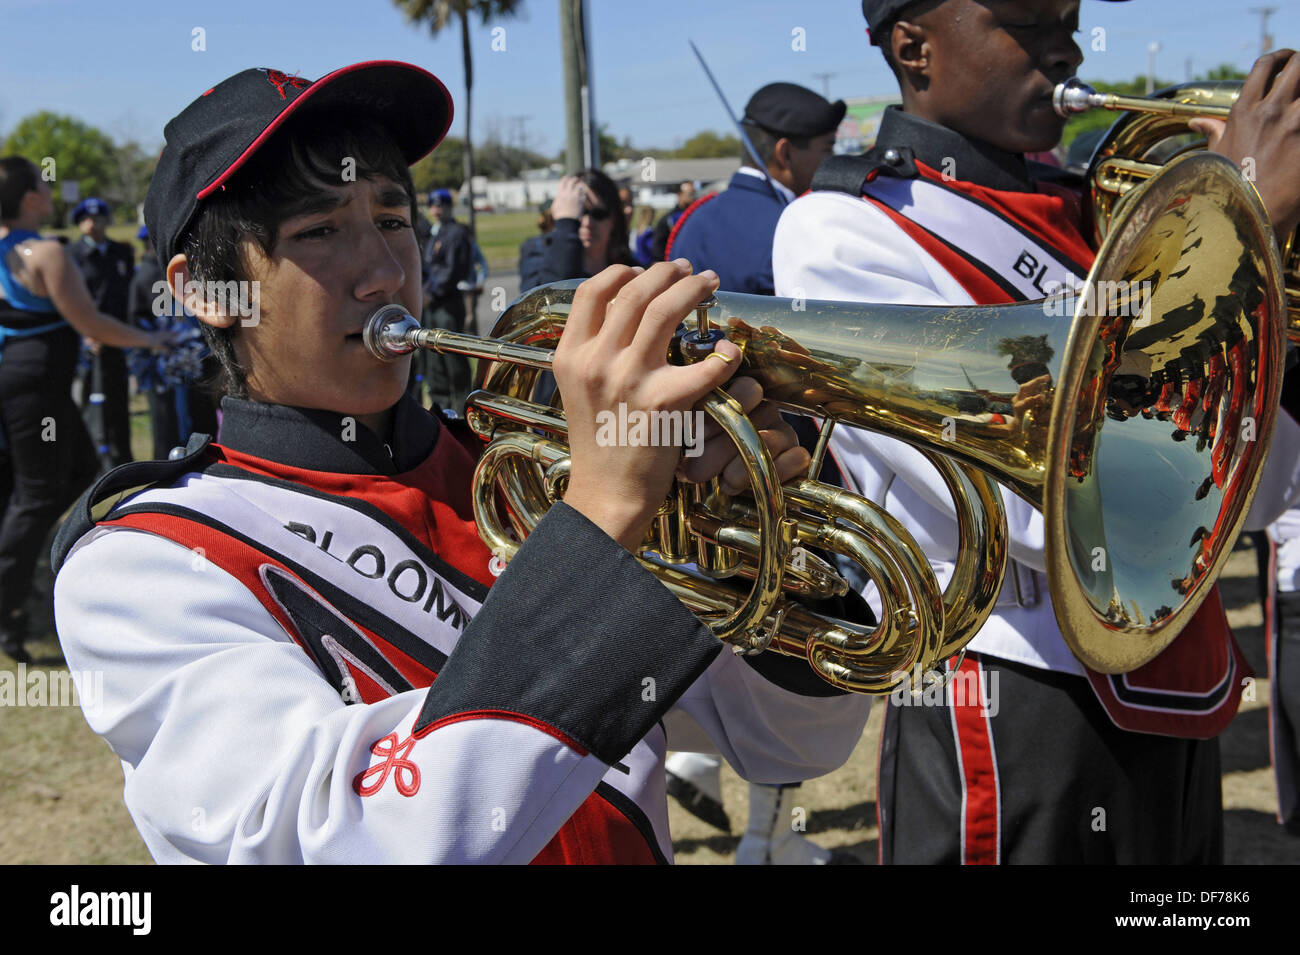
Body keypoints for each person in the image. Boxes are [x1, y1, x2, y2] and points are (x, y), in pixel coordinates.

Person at [50, 61, 870, 864]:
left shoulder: (526, 471)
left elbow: (790, 742)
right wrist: (600, 518)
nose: (384, 273)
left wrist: (762, 542)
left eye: (393, 219)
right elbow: (349, 845)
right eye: (321, 231)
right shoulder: (145, 562)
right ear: (207, 293)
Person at [772, 0, 1300, 863]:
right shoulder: (844, 229)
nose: (1068, 44)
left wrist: (1260, 276)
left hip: (1180, 678)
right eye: (1028, 18)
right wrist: (1238, 224)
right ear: (913, 47)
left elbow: (1253, 491)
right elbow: (1041, 505)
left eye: (1071, 15)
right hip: (1023, 700)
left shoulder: (1111, 216)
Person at [662, 80, 848, 865]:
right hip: (785, 471)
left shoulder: (695, 218)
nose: (827, 164)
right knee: (795, 645)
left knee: (721, 635)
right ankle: (767, 842)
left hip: (692, 475)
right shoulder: (796, 226)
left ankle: (698, 765)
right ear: (783, 151)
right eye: (819, 150)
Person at [0, 158, 170, 664]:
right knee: (36, 496)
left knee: (77, 474)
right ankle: (8, 607)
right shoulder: (45, 251)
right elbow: (92, 324)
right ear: (31, 197)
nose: (50, 192)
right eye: (42, 185)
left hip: (24, 384)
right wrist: (153, 340)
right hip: (36, 391)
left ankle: (25, 575)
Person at [669, 82, 843, 294]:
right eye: (828, 149)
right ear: (785, 153)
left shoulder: (694, 219)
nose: (832, 161)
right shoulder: (793, 229)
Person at [127, 225, 217, 459]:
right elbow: (136, 319)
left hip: (197, 359)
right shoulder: (144, 276)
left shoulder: (191, 271)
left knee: (200, 417)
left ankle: (203, 457)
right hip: (162, 364)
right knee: (166, 421)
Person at [70, 197, 135, 471]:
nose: (92, 223)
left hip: (118, 337)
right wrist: (85, 332)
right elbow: (70, 299)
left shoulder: (121, 252)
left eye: (98, 218)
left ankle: (123, 461)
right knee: (91, 401)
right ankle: (95, 461)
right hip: (87, 340)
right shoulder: (72, 256)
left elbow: (127, 295)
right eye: (86, 218)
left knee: (119, 399)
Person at [519, 168, 634, 293]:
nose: (587, 223)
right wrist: (566, 224)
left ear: (614, 220)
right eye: (579, 212)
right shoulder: (537, 252)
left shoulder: (628, 268)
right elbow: (549, 301)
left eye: (599, 214)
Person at [420, 188, 474, 411]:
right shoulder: (436, 232)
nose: (435, 210)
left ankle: (462, 408)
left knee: (453, 358)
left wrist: (432, 293)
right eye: (432, 205)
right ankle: (440, 406)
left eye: (440, 205)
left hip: (447, 304)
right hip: (432, 304)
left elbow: (453, 270)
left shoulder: (455, 233)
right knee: (435, 359)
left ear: (449, 207)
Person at [650, 181, 696, 262]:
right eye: (690, 194)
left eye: (694, 194)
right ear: (679, 194)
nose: (693, 197)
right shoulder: (669, 219)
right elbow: (658, 246)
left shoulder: (695, 216)